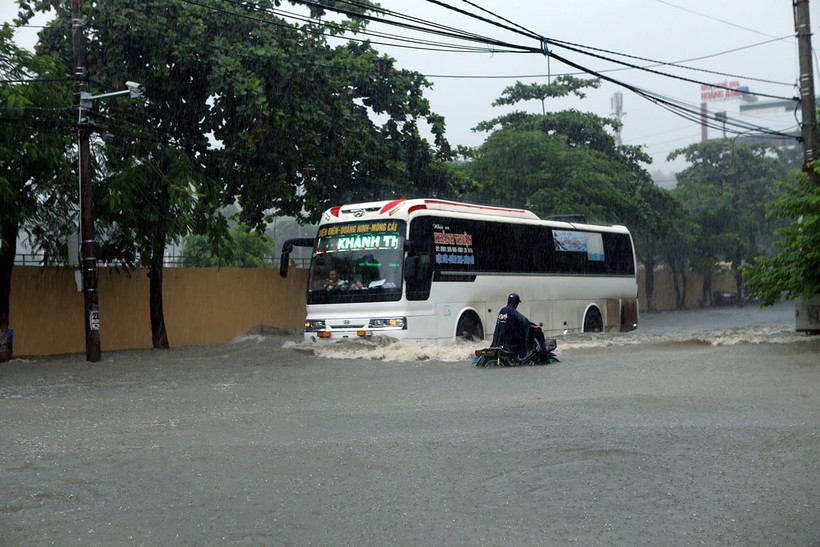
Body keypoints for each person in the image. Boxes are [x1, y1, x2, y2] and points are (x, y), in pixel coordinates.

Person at [490, 293, 549, 364]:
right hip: (509, 342)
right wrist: (534, 327)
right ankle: (523, 356)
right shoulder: (511, 311)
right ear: (515, 303)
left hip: (498, 342)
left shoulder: (502, 310)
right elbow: (524, 321)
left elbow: (514, 323)